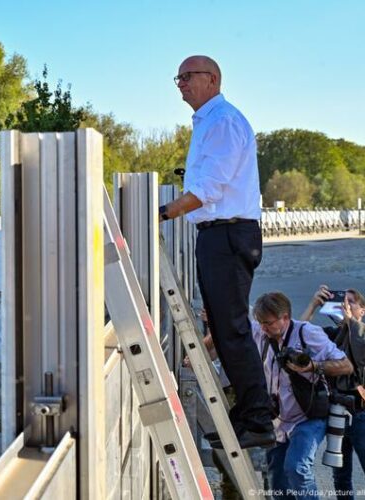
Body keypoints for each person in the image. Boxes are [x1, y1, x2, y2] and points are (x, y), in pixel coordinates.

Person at [158, 55, 273, 447]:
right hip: (219, 235)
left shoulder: (222, 121)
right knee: (224, 330)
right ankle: (247, 412)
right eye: (179, 78)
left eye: (187, 76)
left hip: (228, 234)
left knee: (233, 329)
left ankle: (258, 419)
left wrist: (160, 212)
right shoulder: (209, 122)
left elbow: (211, 187)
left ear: (213, 78)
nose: (181, 84)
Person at [252, 292, 353, 499]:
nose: (263, 328)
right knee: (278, 483)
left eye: (268, 323)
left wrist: (313, 366)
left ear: (285, 318)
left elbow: (346, 365)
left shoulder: (308, 333)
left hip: (308, 417)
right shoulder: (262, 335)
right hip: (278, 421)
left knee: (297, 468)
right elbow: (230, 329)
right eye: (260, 323)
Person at [301, 285, 365, 498]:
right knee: (340, 475)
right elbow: (299, 336)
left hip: (361, 413)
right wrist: (313, 305)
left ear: (362, 310)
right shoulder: (332, 335)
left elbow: (361, 352)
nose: (344, 305)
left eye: (351, 302)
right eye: (341, 301)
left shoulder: (360, 334)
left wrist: (350, 323)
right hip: (336, 412)